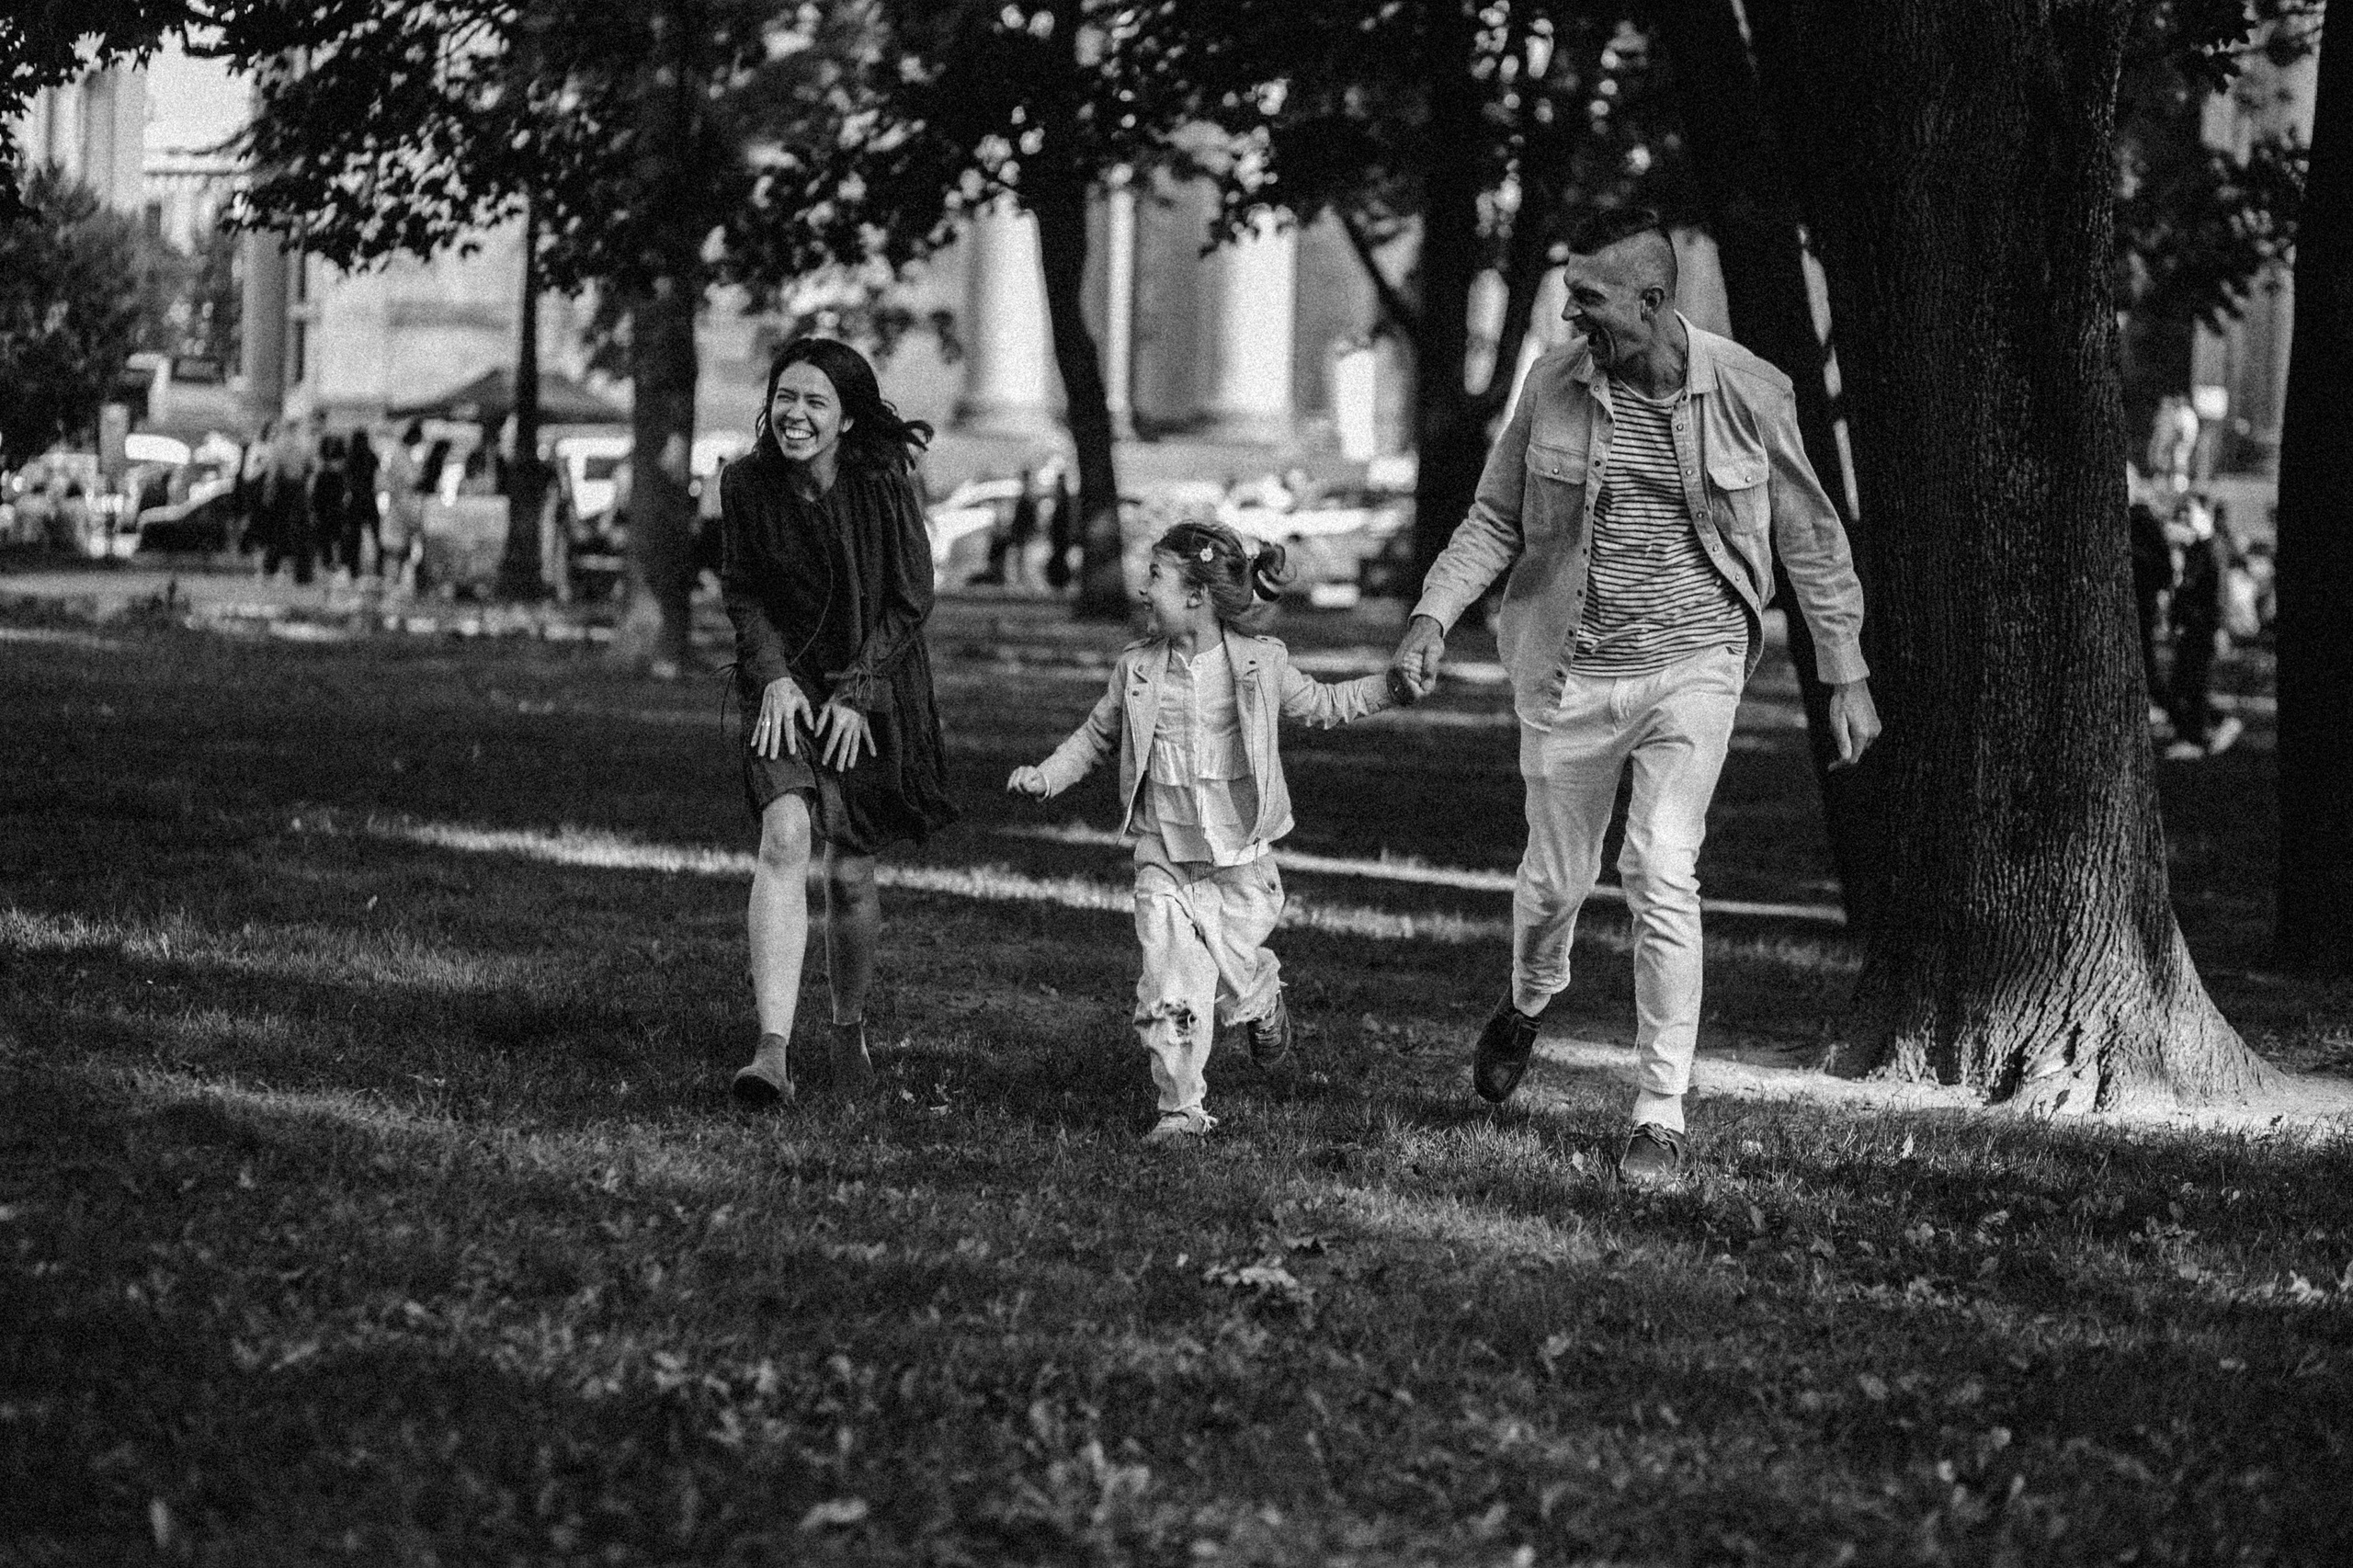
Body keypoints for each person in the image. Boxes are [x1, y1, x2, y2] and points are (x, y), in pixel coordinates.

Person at [1389, 207, 1881, 1188]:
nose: (1572, 317)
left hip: (1694, 665)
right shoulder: (1553, 383)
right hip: (1570, 668)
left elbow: (1811, 539)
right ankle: (1529, 998)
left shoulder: (1747, 389)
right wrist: (1432, 614)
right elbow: (1494, 516)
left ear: (1652, 303)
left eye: (1589, 300)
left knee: (1661, 863)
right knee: (1552, 886)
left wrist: (1846, 672)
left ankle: (1660, 1112)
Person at [1007, 522, 1404, 1147]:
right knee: (1170, 983)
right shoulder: (1137, 670)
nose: (1143, 589)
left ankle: (1260, 994)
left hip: (1239, 861)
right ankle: (1181, 1110)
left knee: (1231, 972)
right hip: (1164, 858)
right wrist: (1047, 777)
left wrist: (1392, 686)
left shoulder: (1260, 663)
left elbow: (1324, 704)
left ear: (1196, 596)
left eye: (1155, 577)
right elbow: (1096, 736)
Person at [722, 338, 959, 1107]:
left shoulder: (883, 482)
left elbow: (911, 599)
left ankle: (846, 1026)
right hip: (782, 684)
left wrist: (856, 692)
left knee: (851, 875)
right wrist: (773, 678)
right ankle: (772, 1054)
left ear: (847, 419)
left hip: (872, 683)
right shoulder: (746, 483)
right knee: (785, 837)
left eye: (815, 402)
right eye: (784, 397)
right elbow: (743, 591)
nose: (795, 414)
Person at [2161, 496, 2243, 761]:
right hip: (2194, 626)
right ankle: (2210, 727)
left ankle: (2197, 736)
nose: (2183, 519)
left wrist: (2218, 627)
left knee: (2191, 684)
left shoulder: (2210, 548)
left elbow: (2217, 591)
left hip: (2202, 627)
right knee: (2185, 684)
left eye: (2189, 513)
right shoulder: (2197, 548)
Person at [2128, 500, 2174, 723]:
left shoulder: (2138, 545)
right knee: (2146, 667)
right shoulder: (2155, 542)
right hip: (2145, 608)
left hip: (2140, 609)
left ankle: (2180, 715)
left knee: (2147, 670)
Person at [1042, 460, 1076, 591]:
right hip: (1060, 535)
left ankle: (1058, 580)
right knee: (1059, 558)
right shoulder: (1063, 498)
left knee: (1059, 558)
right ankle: (1059, 580)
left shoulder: (1062, 499)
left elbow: (1062, 519)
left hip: (1060, 535)